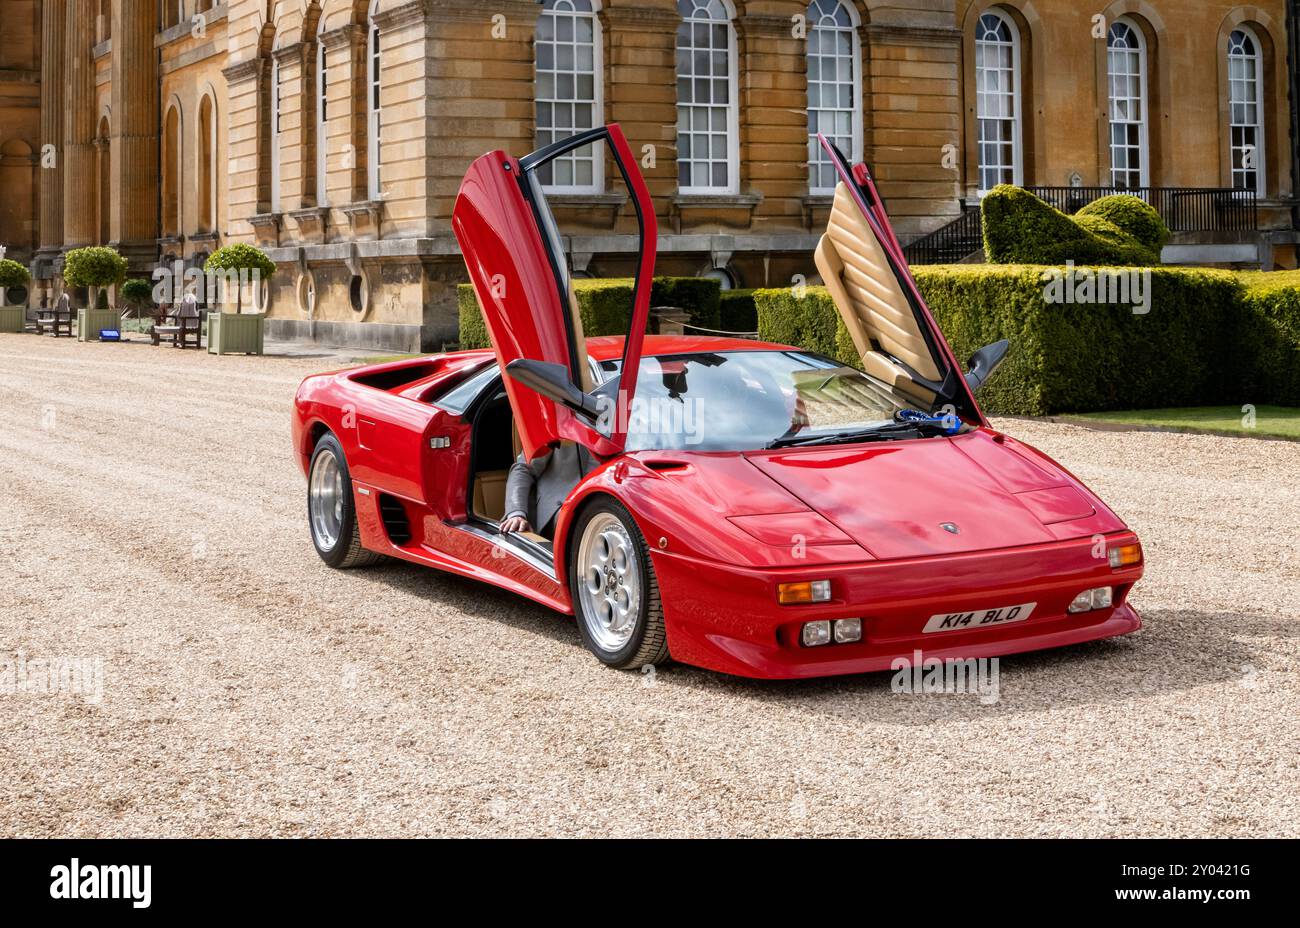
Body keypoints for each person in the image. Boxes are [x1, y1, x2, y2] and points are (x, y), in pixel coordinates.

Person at [500, 443, 594, 539]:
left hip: (602, 508)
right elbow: (523, 469)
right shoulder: (555, 428)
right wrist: (516, 513)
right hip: (558, 510)